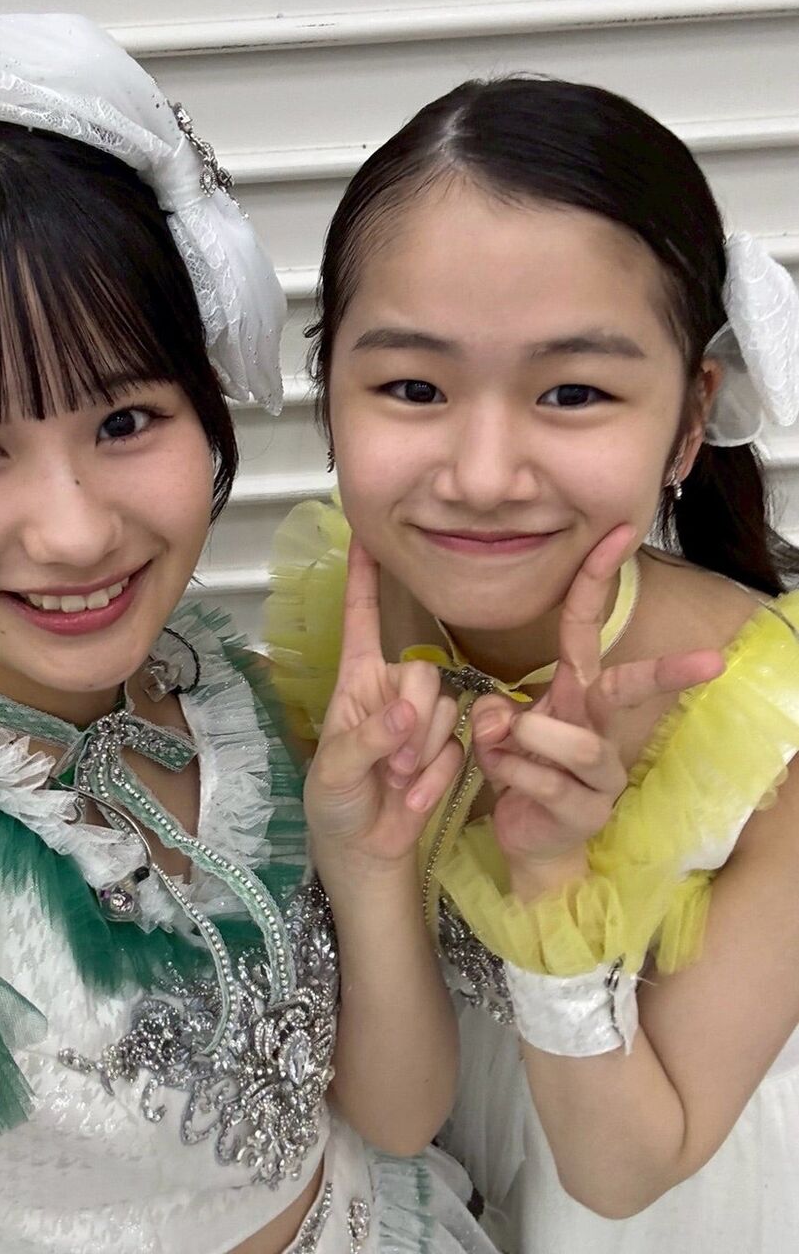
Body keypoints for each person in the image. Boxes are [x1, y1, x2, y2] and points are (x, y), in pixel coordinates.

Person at [0, 16, 494, 1254]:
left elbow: (396, 1115)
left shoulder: (241, 705)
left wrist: (366, 871)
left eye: (126, 418)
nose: (77, 531)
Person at [267, 76, 799, 1252]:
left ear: (689, 418)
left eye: (572, 391)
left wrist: (555, 886)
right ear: (329, 392)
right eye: (413, 387)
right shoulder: (347, 645)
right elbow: (391, 1112)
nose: (482, 474)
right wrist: (369, 864)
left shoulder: (774, 725)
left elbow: (623, 1172)